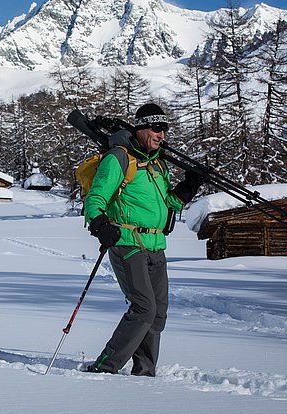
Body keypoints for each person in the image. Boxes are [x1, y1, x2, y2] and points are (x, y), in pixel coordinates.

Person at [83, 103, 203, 376]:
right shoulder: (118, 158)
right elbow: (96, 198)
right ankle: (105, 367)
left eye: (165, 130)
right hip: (127, 242)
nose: (162, 135)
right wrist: (100, 224)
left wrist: (190, 186)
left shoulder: (158, 164)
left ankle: (144, 373)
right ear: (140, 129)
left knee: (158, 313)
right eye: (156, 129)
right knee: (144, 308)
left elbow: (168, 203)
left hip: (156, 245)